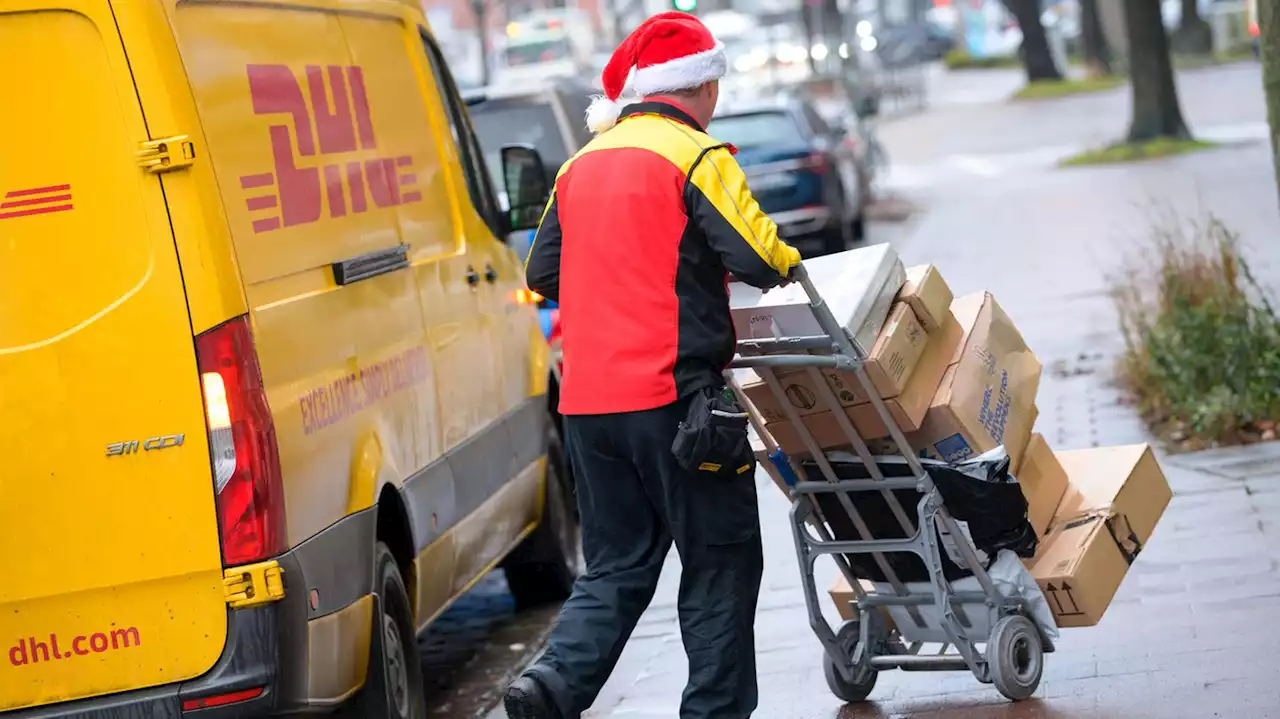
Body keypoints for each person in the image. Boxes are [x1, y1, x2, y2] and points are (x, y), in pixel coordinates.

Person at [507, 11, 802, 719]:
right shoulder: (696, 156)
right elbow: (760, 257)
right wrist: (791, 263)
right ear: (698, 86)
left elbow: (541, 269)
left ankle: (549, 687)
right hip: (680, 404)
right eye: (716, 85)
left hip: (588, 409)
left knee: (616, 564)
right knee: (720, 562)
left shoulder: (581, 163)